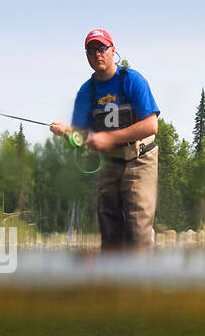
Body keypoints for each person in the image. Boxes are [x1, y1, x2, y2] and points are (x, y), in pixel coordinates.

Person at [51, 29, 160, 250]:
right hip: (110, 163)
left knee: (137, 233)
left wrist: (108, 137)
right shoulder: (86, 92)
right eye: (91, 50)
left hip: (141, 158)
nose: (97, 54)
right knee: (109, 235)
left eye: (102, 48)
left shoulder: (132, 80)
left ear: (113, 51)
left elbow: (151, 125)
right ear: (87, 56)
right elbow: (81, 139)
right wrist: (67, 133)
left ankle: (144, 259)